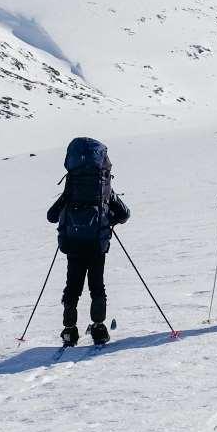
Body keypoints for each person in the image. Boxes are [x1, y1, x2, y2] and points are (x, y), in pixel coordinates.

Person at [47, 137, 130, 345]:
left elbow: (51, 215)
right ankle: (99, 329)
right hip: (96, 244)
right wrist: (107, 219)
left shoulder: (71, 189)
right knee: (97, 286)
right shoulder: (103, 189)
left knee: (72, 286)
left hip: (73, 244)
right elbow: (124, 214)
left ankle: (69, 330)